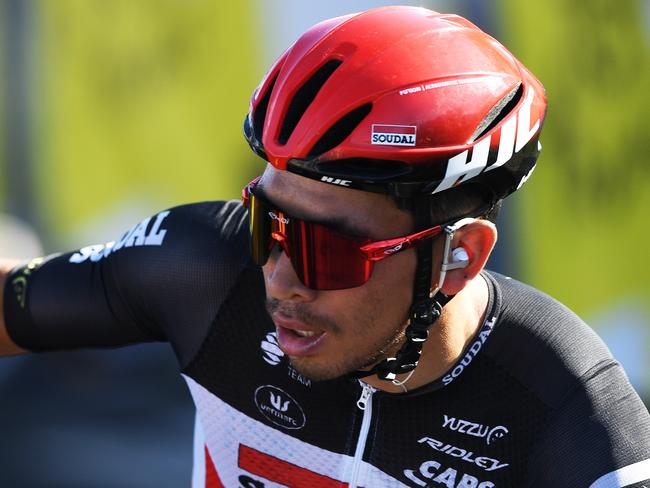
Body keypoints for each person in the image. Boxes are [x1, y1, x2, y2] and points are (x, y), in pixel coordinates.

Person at [1, 6, 649, 487]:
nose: (281, 279)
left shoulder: (567, 415)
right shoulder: (207, 270)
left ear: (461, 257)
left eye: (328, 251)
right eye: (268, 225)